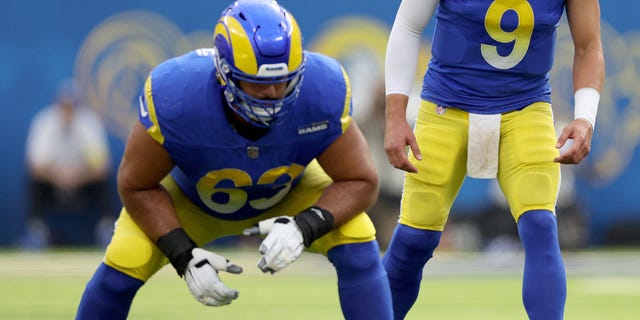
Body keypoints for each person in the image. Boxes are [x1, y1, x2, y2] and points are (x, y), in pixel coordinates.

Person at [75, 1, 393, 319]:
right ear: (224, 72)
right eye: (257, 82)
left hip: (288, 192)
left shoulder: (321, 89)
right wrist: (182, 255)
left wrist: (305, 226)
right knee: (126, 257)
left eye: (283, 80)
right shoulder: (178, 95)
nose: (272, 93)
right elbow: (136, 186)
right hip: (192, 199)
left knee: (357, 238)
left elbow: (361, 180)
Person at [382, 0, 604, 319]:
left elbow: (588, 45)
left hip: (525, 107)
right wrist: (395, 116)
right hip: (446, 106)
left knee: (541, 227)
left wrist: (585, 117)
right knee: (415, 239)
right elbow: (407, 26)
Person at [24, 78, 112, 248]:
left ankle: (106, 229)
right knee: (34, 184)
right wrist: (58, 177)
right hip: (52, 184)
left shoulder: (89, 122)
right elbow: (34, 166)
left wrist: (77, 177)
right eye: (64, 105)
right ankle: (36, 232)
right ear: (57, 104)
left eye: (72, 105)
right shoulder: (44, 122)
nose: (68, 110)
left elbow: (102, 167)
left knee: (103, 184)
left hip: (83, 184)